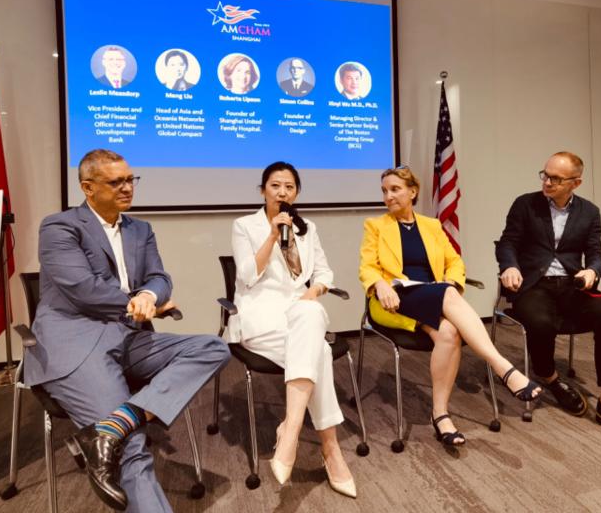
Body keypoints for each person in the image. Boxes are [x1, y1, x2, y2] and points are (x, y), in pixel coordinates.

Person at [23, 149, 230, 512]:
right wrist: (136, 302)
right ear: (88, 188)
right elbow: (82, 288)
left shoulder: (140, 229)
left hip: (130, 337)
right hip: (77, 344)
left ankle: (111, 427)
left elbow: (160, 277)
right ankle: (122, 432)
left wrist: (150, 294)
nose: (127, 188)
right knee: (133, 449)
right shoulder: (59, 227)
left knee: (213, 348)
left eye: (130, 179)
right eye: (115, 181)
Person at [359, 166, 542, 447]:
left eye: (395, 189)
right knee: (445, 294)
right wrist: (380, 285)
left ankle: (440, 414)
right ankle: (502, 367)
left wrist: (454, 284)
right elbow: (367, 266)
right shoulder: (376, 226)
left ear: (412, 191)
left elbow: (454, 262)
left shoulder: (431, 226)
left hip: (433, 295)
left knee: (449, 333)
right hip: (394, 299)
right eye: (385, 190)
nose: (388, 196)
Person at [497, 152, 601, 445]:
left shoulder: (590, 212)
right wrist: (510, 266)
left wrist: (593, 270)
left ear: (575, 183)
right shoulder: (525, 204)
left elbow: (595, 251)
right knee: (541, 322)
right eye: (545, 174)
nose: (547, 182)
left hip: (572, 282)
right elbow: (508, 242)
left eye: (556, 178)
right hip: (534, 283)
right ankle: (550, 377)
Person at [230, 161, 356, 498]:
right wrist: (272, 235)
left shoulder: (307, 228)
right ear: (262, 191)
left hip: (301, 312)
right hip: (262, 316)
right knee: (321, 351)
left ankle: (291, 431)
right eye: (275, 186)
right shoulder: (245, 225)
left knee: (310, 313)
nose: (282, 192)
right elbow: (245, 276)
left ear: (296, 192)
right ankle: (330, 449)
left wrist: (313, 290)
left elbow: (325, 273)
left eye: (289, 186)